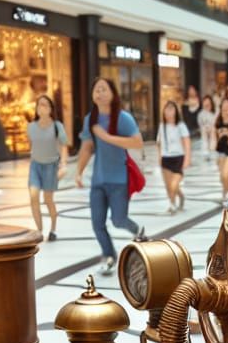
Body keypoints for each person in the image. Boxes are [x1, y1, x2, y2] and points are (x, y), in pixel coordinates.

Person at [75, 77, 145, 275]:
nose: (100, 93)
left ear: (113, 94)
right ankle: (109, 255)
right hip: (98, 180)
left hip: (118, 179)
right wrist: (78, 172)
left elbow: (137, 143)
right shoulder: (91, 119)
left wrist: (106, 137)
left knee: (118, 220)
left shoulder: (123, 118)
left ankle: (137, 230)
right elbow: (87, 147)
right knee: (97, 224)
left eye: (104, 89)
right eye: (96, 90)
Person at [27, 94, 68, 241]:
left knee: (48, 199)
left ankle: (53, 228)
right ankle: (39, 230)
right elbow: (31, 145)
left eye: (45, 105)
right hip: (35, 166)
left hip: (51, 166)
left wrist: (63, 165)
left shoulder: (57, 126)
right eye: (39, 105)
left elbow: (64, 146)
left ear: (51, 108)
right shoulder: (31, 127)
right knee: (33, 196)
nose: (41, 108)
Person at [157, 99, 191, 212]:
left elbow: (187, 142)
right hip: (165, 158)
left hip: (178, 158)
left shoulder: (181, 126)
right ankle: (173, 204)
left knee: (173, 184)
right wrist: (159, 157)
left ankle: (179, 199)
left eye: (171, 109)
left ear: (176, 111)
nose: (168, 112)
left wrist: (187, 159)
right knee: (168, 186)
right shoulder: (162, 126)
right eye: (166, 109)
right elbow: (159, 142)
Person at [197, 95, 217, 163]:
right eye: (205, 104)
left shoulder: (214, 114)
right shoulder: (200, 114)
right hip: (204, 131)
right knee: (204, 129)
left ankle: (212, 150)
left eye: (208, 104)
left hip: (213, 132)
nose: (207, 105)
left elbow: (215, 124)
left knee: (212, 130)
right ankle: (205, 151)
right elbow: (200, 124)